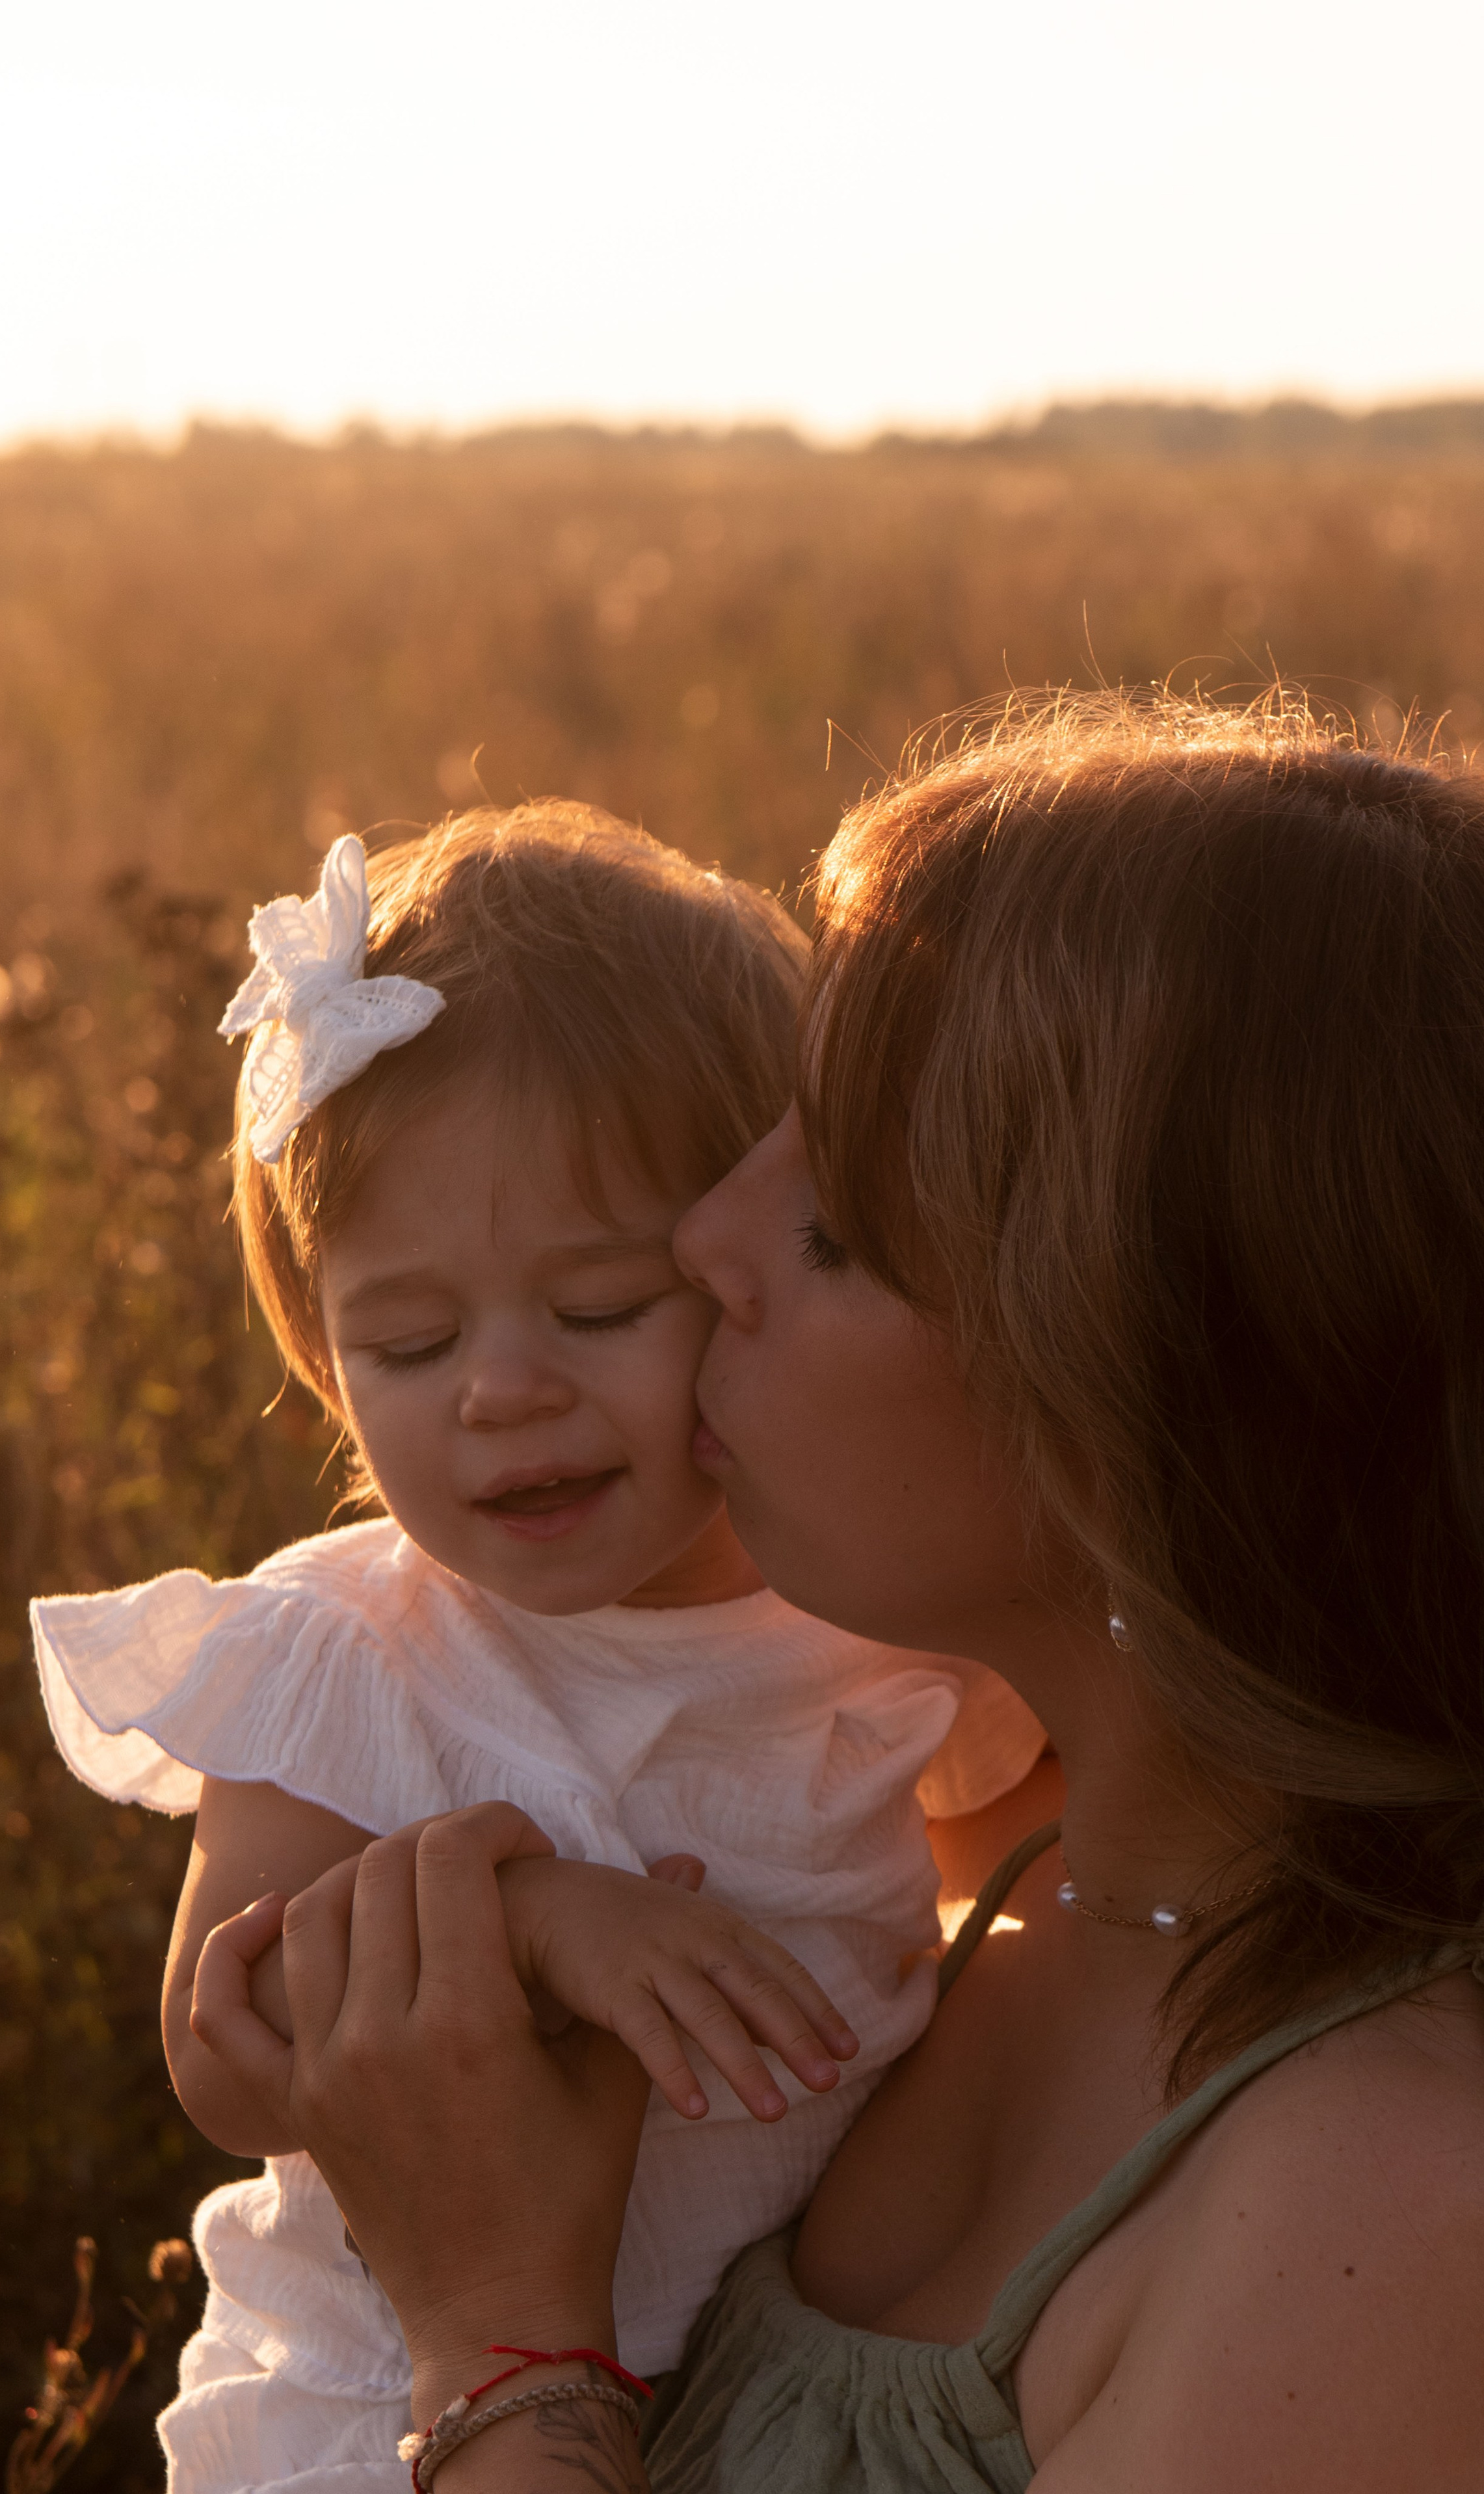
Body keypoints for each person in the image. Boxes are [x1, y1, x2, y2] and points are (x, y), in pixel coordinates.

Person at [201, 694, 1484, 2491]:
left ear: (1130, 1403)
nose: (705, 1239)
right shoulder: (1029, 1886)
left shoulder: (1386, 2217)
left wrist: (501, 2337)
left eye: (838, 1223)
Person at [29, 808, 1044, 2492]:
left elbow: (1015, 1855)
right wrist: (535, 1921)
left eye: (596, 1310)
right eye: (408, 1341)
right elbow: (231, 2046)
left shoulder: (864, 1613)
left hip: (781, 2407)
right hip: (390, 2412)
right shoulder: (354, 1652)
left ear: (749, 1268)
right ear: (320, 1348)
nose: (504, 1390)